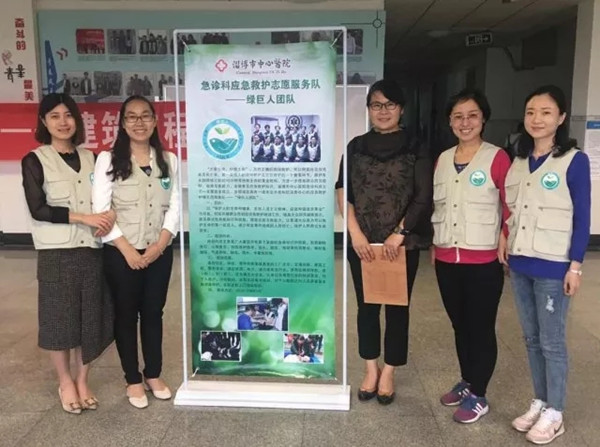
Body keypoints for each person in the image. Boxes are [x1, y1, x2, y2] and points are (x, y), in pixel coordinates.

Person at [499, 85, 591, 445]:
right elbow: (512, 210)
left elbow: (582, 218)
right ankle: (540, 401)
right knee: (531, 339)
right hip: (521, 263)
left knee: (552, 342)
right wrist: (505, 238)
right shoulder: (520, 160)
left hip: (554, 267)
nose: (537, 119)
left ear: (561, 118)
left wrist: (575, 267)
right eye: (531, 112)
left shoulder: (574, 160)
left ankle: (556, 412)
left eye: (546, 112)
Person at [335, 79, 432, 405]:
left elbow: (423, 194)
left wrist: (399, 233)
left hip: (401, 245)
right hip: (363, 245)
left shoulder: (416, 145)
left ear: (401, 109)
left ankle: (389, 371)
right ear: (368, 109)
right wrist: (355, 234)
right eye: (376, 105)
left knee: (397, 307)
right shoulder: (356, 146)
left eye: (390, 105)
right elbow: (343, 190)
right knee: (366, 307)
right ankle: (370, 368)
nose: (383, 111)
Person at [21, 93, 114, 414]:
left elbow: (108, 199)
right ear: (44, 122)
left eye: (68, 115)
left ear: (77, 120)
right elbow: (38, 208)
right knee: (58, 322)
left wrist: (108, 217)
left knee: (90, 320)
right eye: (55, 116)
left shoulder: (94, 159)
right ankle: (65, 382)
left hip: (92, 251)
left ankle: (83, 379)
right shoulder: (35, 160)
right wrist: (83, 218)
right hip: (56, 253)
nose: (63, 122)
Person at [92, 95, 180, 409]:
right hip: (121, 252)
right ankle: (132, 379)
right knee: (126, 314)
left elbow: (175, 206)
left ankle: (153, 373)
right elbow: (101, 209)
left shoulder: (168, 159)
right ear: (122, 123)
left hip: (159, 249)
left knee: (154, 312)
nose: (139, 122)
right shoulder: (108, 159)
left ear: (155, 121)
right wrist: (127, 249)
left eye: (145, 116)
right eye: (131, 116)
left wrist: (160, 245)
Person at [432, 89, 511, 424]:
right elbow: (439, 208)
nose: (465, 122)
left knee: (480, 327)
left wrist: (505, 237)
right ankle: (467, 380)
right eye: (458, 116)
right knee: (460, 325)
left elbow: (510, 205)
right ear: (450, 122)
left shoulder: (497, 158)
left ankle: (479, 393)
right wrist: (435, 249)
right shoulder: (442, 159)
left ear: (483, 119)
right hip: (447, 260)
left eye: (472, 115)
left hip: (483, 261)